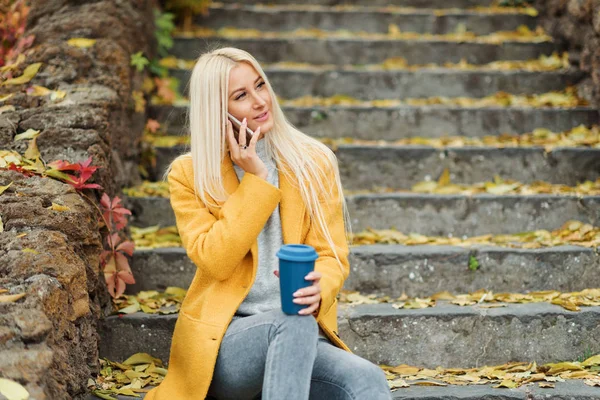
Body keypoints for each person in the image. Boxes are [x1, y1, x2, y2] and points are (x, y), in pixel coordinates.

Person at [144, 47, 392, 400]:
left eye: (261, 85)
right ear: (218, 111)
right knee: (290, 320)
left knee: (367, 379)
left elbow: (331, 254)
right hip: (226, 344)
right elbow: (214, 258)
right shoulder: (191, 175)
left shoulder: (313, 163)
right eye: (241, 96)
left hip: (303, 335)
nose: (261, 101)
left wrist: (321, 286)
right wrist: (257, 180)